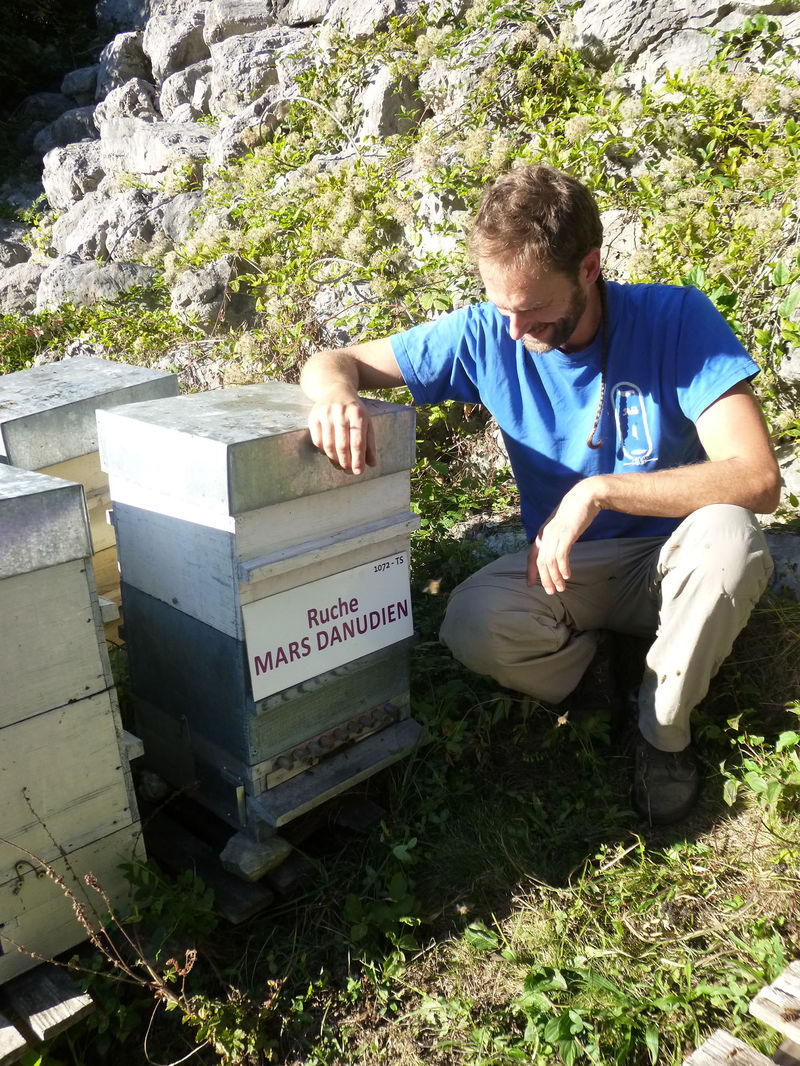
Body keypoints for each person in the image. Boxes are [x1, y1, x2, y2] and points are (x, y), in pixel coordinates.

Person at [299, 164, 780, 825]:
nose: (518, 331)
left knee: (732, 538)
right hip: (563, 570)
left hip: (671, 559)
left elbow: (756, 477)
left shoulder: (676, 319)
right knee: (471, 622)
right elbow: (335, 361)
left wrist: (602, 490)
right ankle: (594, 675)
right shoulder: (486, 333)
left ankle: (662, 732)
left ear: (588, 267)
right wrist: (334, 395)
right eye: (504, 309)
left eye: (533, 308)